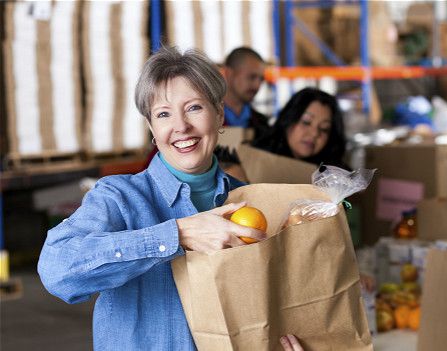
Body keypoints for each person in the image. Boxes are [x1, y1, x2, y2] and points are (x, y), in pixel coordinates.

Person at [37, 46, 300, 349]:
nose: (180, 126)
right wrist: (177, 234)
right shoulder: (119, 197)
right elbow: (57, 269)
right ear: (152, 127)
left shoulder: (250, 199)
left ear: (219, 114)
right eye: (163, 114)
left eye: (194, 108)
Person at [252, 87, 348, 169]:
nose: (314, 133)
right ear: (288, 119)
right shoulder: (253, 162)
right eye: (306, 122)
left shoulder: (338, 177)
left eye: (324, 129)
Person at [223, 46, 270, 140]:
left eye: (261, 79)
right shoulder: (205, 120)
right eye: (251, 77)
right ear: (229, 73)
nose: (257, 85)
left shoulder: (263, 124)